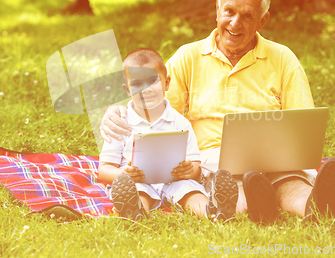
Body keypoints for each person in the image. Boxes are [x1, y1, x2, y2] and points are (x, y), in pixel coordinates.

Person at [100, 0, 335, 223]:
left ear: (262, 21)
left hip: (276, 158)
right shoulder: (188, 57)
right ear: (217, 8)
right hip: (215, 160)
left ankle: (313, 205)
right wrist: (118, 112)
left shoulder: (284, 58)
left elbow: (302, 125)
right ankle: (256, 204)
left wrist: (290, 156)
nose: (235, 23)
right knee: (232, 182)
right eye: (229, 11)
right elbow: (153, 108)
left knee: (291, 178)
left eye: (247, 15)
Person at [98, 48, 238, 221]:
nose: (146, 90)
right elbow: (104, 169)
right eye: (137, 84)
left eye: (152, 81)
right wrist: (123, 175)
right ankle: (135, 212)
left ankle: (214, 211)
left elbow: (195, 166)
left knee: (190, 190)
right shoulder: (121, 123)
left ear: (167, 83)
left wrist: (189, 170)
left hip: (174, 180)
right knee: (138, 191)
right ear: (127, 90)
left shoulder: (180, 122)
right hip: (137, 182)